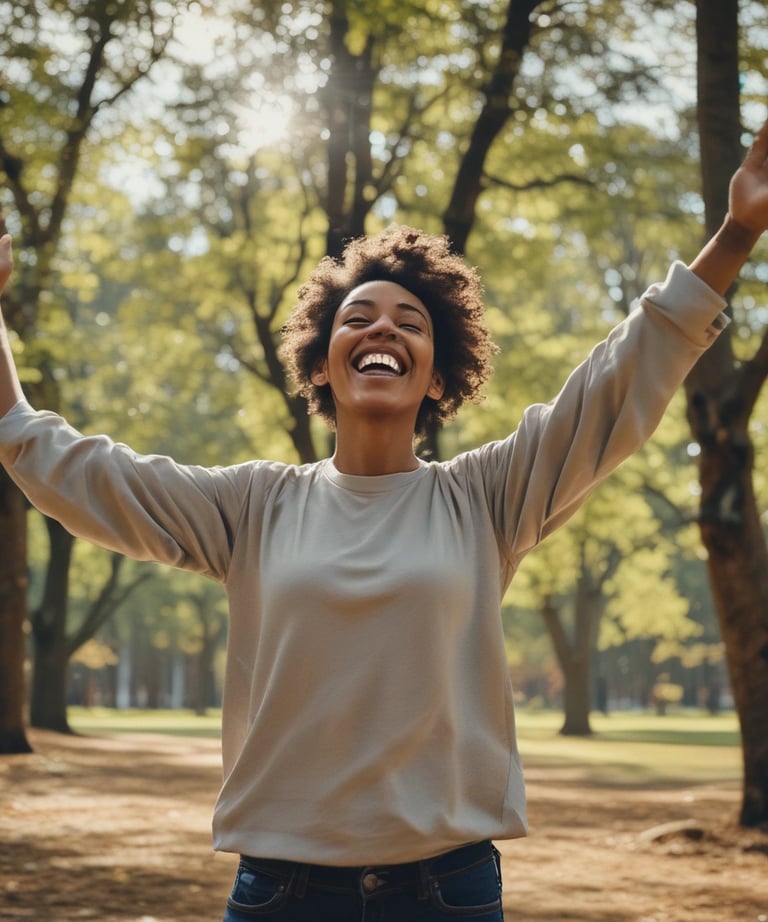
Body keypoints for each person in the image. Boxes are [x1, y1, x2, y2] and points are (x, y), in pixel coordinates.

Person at [1, 119, 768, 922]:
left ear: (438, 377)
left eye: (410, 323)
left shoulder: (486, 499)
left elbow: (619, 378)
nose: (382, 330)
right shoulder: (252, 507)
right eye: (358, 319)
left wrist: (736, 231)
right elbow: (63, 464)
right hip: (281, 893)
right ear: (323, 365)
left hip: (447, 893)